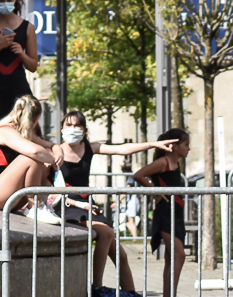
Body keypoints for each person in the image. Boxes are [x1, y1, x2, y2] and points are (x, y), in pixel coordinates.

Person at [57, 110, 177, 293]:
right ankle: (96, 287)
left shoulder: (90, 147)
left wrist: (153, 144)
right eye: (69, 125)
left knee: (121, 255)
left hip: (89, 205)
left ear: (84, 130)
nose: (72, 129)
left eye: (77, 125)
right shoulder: (55, 151)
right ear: (61, 128)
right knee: (106, 233)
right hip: (67, 205)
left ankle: (131, 294)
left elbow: (122, 149)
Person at [0, 95, 63, 223]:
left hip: (10, 195)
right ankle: (34, 206)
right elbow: (35, 151)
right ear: (36, 119)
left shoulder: (23, 132)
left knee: (42, 159)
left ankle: (42, 204)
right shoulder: (5, 130)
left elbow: (49, 145)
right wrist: (53, 160)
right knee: (32, 159)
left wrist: (58, 152)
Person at [133, 128, 190, 297]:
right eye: (186, 144)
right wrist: (156, 190)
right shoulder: (163, 162)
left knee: (172, 258)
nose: (188, 148)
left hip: (176, 213)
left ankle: (168, 294)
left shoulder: (176, 163)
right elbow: (139, 175)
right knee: (179, 255)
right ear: (174, 146)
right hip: (165, 212)